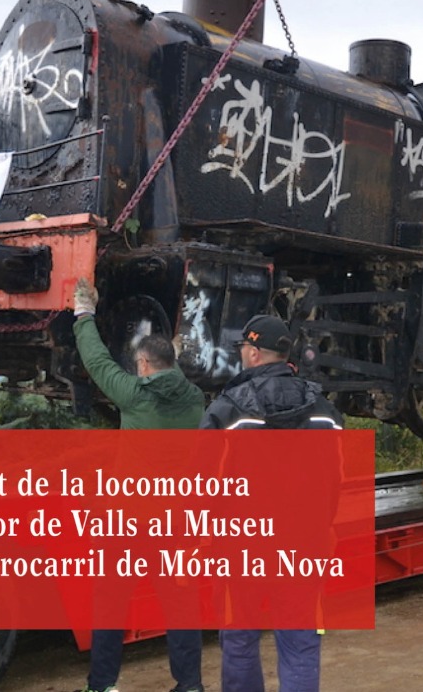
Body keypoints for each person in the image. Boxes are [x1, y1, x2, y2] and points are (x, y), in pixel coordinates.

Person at [71, 277, 206, 692]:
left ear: (143, 366)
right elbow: (173, 379)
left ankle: (103, 685)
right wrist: (173, 360)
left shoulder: (134, 395)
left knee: (110, 605)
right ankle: (190, 685)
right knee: (181, 606)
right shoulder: (195, 400)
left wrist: (83, 313)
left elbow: (97, 362)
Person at [200, 314, 344, 692]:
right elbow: (334, 483)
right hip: (303, 546)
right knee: (299, 642)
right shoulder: (323, 412)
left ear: (252, 353)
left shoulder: (228, 410)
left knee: (240, 640)